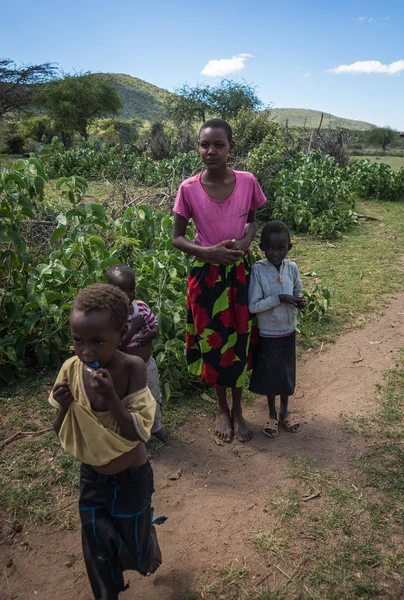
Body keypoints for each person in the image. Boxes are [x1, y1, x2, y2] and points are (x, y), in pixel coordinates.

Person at [49, 284, 163, 600]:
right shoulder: (71, 371)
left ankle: (147, 539)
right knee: (96, 547)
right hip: (93, 478)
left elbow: (136, 433)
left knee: (136, 549)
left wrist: (112, 397)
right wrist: (64, 406)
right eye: (77, 340)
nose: (86, 351)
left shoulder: (131, 368)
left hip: (131, 478)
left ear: (122, 332)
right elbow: (60, 429)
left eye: (98, 341)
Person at [172, 118, 266, 443]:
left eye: (218, 144)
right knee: (212, 340)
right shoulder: (188, 189)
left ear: (230, 147)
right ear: (198, 147)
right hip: (205, 274)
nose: (211, 151)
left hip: (240, 272)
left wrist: (244, 242)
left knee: (239, 339)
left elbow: (253, 221)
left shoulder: (248, 181)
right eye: (204, 144)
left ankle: (239, 410)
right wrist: (208, 253)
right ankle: (221, 409)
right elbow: (177, 239)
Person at [248, 221, 306, 438]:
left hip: (288, 330)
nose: (275, 252)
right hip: (269, 333)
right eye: (270, 248)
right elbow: (253, 306)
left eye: (281, 248)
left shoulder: (292, 268)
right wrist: (280, 298)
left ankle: (284, 412)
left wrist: (299, 301)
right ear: (262, 247)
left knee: (285, 373)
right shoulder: (258, 270)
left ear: (289, 248)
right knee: (271, 375)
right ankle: (272, 414)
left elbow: (298, 290)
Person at [106, 264, 169, 443]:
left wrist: (151, 333)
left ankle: (155, 426)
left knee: (153, 395)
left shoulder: (140, 307)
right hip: (125, 370)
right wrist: (134, 327)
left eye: (131, 290)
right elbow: (118, 343)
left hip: (147, 364)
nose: (127, 296)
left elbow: (155, 325)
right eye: (121, 291)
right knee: (130, 400)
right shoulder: (111, 316)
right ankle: (132, 431)